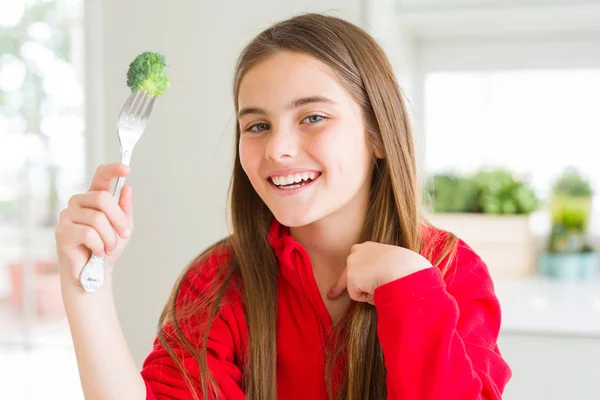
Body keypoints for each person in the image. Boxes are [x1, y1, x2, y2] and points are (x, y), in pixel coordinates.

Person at [55, 13, 512, 400]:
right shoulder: (218, 282)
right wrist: (86, 290)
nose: (278, 149)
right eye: (256, 125)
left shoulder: (450, 273)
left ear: (376, 133)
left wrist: (408, 291)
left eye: (312, 117)